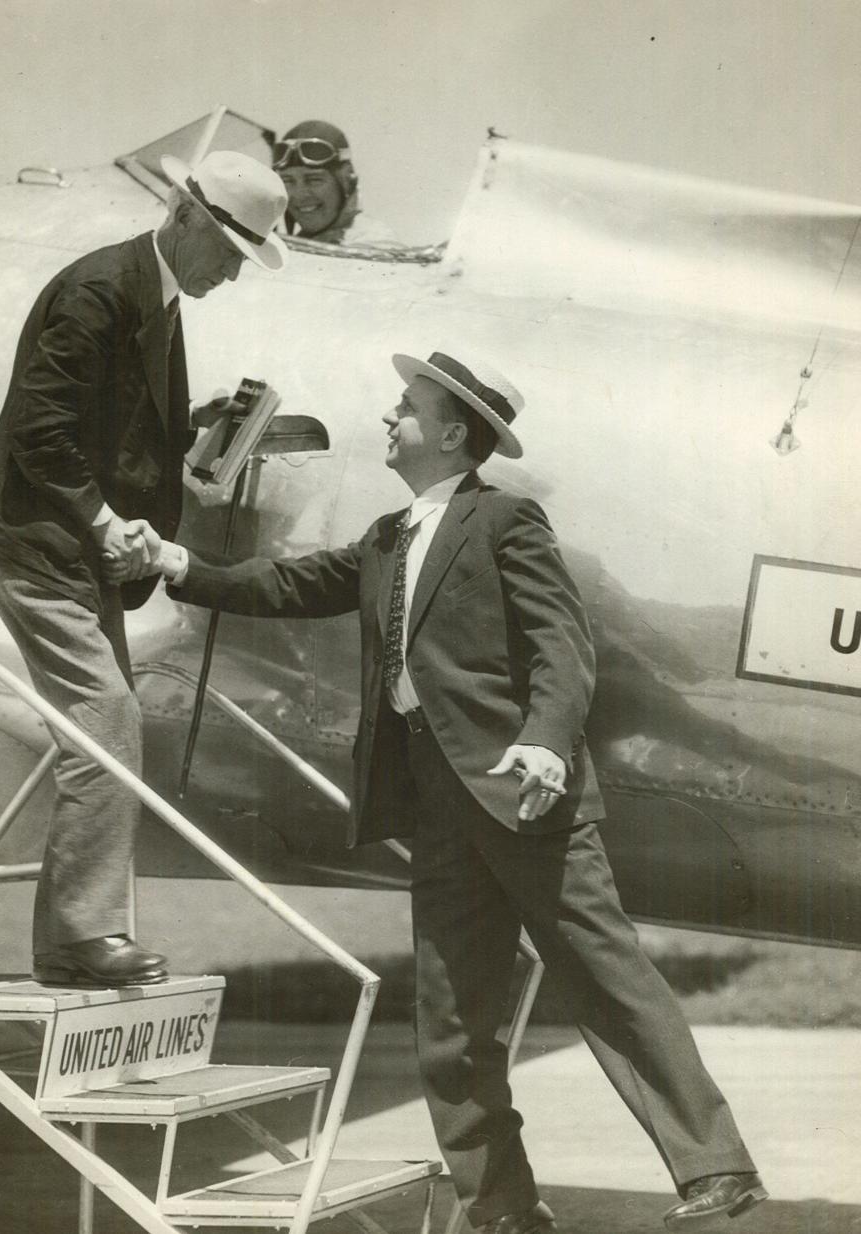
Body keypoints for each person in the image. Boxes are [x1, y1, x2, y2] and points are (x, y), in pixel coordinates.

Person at [142, 347, 768, 1231]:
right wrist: (177, 562)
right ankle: (501, 1207)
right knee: (450, 1021)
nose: (386, 422)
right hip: (434, 806)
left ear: (448, 433)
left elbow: (562, 646)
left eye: (403, 409)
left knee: (605, 979)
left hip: (523, 794)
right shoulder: (386, 538)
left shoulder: (507, 520)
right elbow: (287, 584)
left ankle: (717, 1168)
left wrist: (548, 743)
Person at [0, 151, 288, 988]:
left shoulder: (156, 292)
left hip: (75, 557)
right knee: (107, 724)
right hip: (36, 546)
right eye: (232, 254)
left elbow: (110, 423)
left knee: (109, 721)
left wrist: (195, 423)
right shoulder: (102, 292)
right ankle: (81, 938)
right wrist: (105, 523)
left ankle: (75, 940)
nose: (235, 277)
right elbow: (41, 432)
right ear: (189, 218)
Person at [273, 119, 402, 249]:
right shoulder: (295, 244)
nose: (299, 194)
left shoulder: (372, 244)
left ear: (346, 180)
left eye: (314, 179)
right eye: (287, 181)